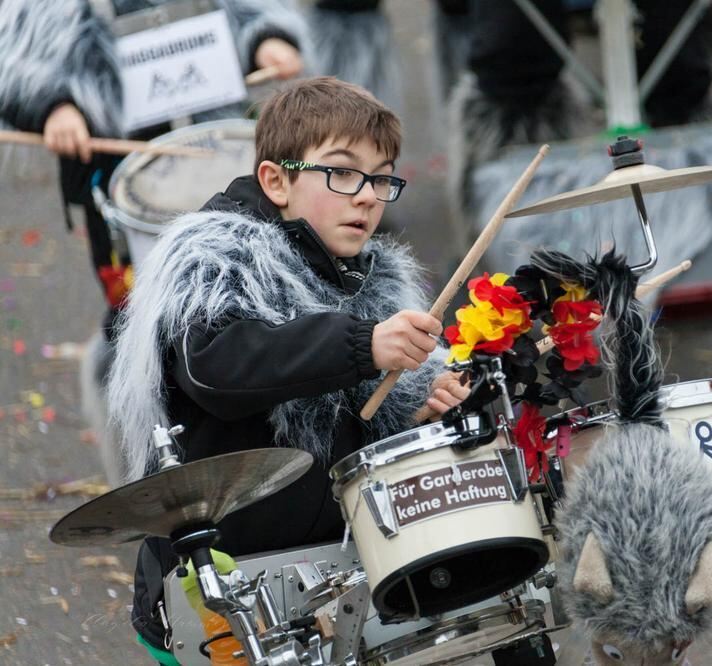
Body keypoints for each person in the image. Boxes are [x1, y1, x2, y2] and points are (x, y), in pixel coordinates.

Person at [104, 76, 470, 662]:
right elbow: (221, 369)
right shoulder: (212, 258)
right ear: (277, 179)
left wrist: (419, 406)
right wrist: (363, 343)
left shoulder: (368, 274)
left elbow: (351, 431)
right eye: (344, 172)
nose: (368, 195)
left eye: (381, 178)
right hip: (221, 592)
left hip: (330, 581)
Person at [0, 0, 307, 333]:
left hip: (217, 159)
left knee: (247, 288)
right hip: (117, 178)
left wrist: (267, 38)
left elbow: (248, 11)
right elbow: (18, 52)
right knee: (142, 314)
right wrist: (51, 105)